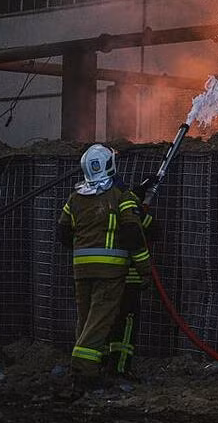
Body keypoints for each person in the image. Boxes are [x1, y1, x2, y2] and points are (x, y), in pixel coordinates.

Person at [56, 144, 152, 391]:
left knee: (86, 319)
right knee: (99, 320)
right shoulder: (119, 197)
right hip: (110, 272)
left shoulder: (75, 198)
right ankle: (83, 369)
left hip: (81, 271)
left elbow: (63, 233)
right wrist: (144, 268)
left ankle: (86, 366)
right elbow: (133, 234)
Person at [104, 176, 160, 382]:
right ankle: (120, 369)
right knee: (126, 324)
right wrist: (146, 270)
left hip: (103, 278)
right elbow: (149, 232)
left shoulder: (95, 206)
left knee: (102, 321)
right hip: (128, 277)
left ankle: (101, 365)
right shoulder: (128, 208)